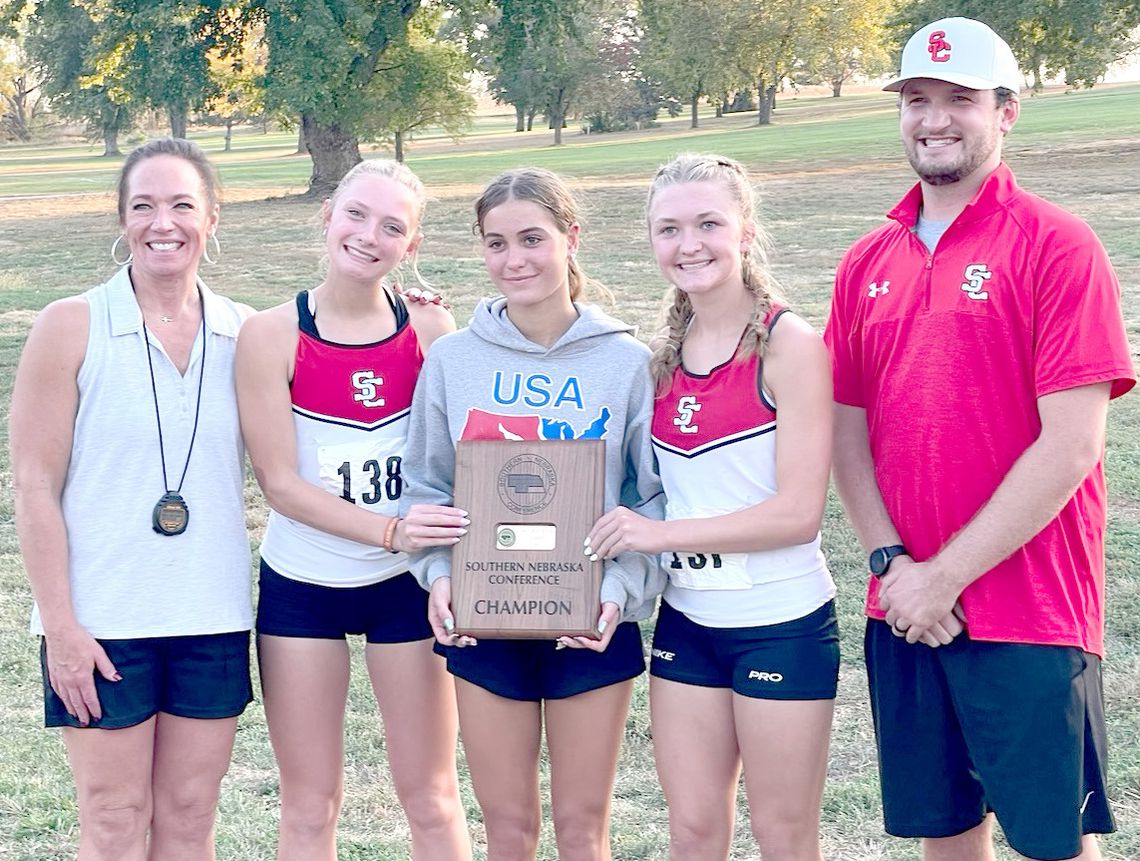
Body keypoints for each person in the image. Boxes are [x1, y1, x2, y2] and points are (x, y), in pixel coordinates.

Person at [823, 17, 1136, 861]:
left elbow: (1072, 445)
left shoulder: (1058, 245)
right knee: (945, 832)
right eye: (916, 100)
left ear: (1007, 112)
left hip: (1030, 609)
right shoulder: (865, 261)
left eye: (959, 99)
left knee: (1052, 841)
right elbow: (846, 434)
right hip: (909, 606)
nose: (934, 119)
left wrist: (943, 577)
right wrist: (893, 566)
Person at [401, 167, 664, 861]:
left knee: (583, 830)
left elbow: (652, 498)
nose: (514, 259)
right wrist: (436, 573)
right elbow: (425, 483)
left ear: (570, 237)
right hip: (485, 617)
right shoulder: (454, 360)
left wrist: (618, 591)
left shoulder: (626, 362)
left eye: (532, 238)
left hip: (590, 622)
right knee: (509, 828)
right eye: (496, 243)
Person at [584, 153, 838, 861]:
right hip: (689, 621)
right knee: (692, 832)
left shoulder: (791, 345)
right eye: (669, 229)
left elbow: (797, 515)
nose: (688, 243)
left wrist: (660, 533)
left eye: (707, 223)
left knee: (781, 834)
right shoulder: (660, 354)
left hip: (779, 623)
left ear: (745, 231)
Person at [10, 138, 253, 860]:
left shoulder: (248, 332)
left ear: (212, 217)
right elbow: (32, 485)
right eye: (143, 205)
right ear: (121, 219)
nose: (162, 222)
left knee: (188, 817)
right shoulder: (70, 324)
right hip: (100, 622)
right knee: (114, 819)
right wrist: (62, 628)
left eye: (182, 204)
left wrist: (419, 311)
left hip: (209, 616)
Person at [234, 159, 471, 861]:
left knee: (430, 795)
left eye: (393, 226)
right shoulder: (270, 334)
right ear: (328, 216)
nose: (370, 235)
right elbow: (279, 483)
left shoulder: (431, 330)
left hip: (404, 589)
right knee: (310, 804)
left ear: (413, 246)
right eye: (357, 214)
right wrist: (393, 530)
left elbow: (455, 458)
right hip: (304, 588)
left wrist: (419, 549)